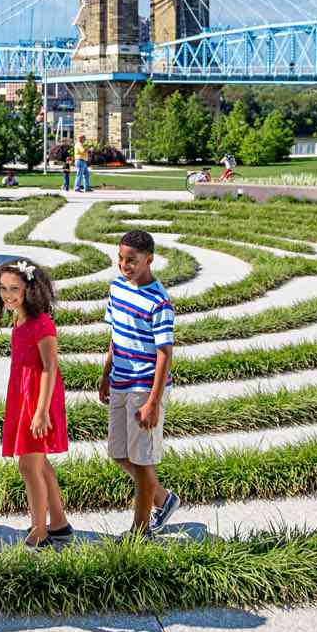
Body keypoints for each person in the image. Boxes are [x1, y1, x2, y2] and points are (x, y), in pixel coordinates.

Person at [0, 259, 71, 548]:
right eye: (4, 288)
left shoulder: (41, 323)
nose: (8, 294)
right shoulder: (18, 318)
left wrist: (41, 411)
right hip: (23, 395)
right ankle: (58, 522)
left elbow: (50, 367)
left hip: (38, 398)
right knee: (40, 462)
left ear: (30, 290)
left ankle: (39, 531)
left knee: (29, 467)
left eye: (15, 289)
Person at [98, 229, 179, 538]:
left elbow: (164, 353)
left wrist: (153, 402)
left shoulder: (160, 302)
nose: (124, 265)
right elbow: (115, 335)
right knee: (119, 453)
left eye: (131, 260)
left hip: (145, 386)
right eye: (120, 259)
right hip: (120, 379)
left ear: (149, 260)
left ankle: (141, 530)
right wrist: (106, 374)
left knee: (142, 461)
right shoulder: (117, 288)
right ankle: (163, 499)